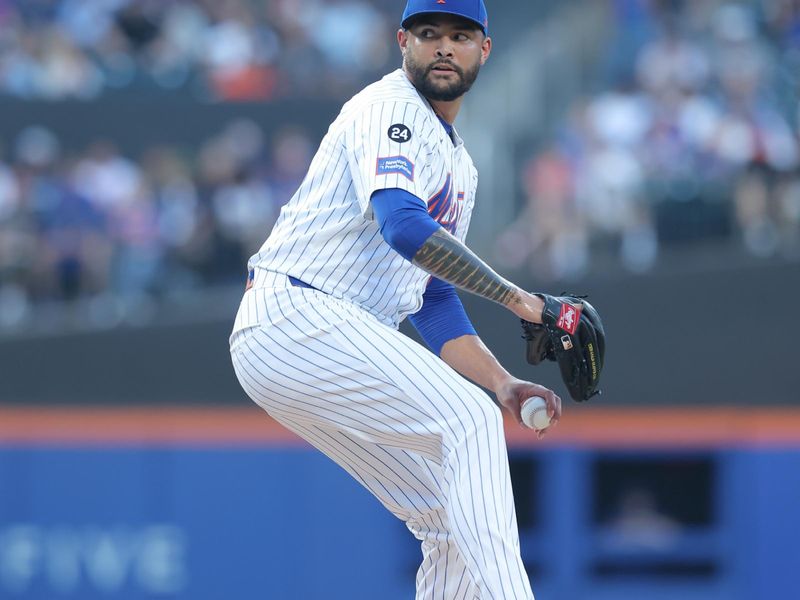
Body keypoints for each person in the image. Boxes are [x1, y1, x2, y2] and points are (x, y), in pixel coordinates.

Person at [229, 1, 561, 598]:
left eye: (460, 35)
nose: (443, 47)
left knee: (445, 512)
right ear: (401, 41)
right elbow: (404, 227)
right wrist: (521, 302)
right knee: (470, 423)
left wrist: (502, 380)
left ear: (483, 50)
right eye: (428, 33)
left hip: (316, 335)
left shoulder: (461, 164)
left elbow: (430, 298)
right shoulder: (390, 108)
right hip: (298, 316)